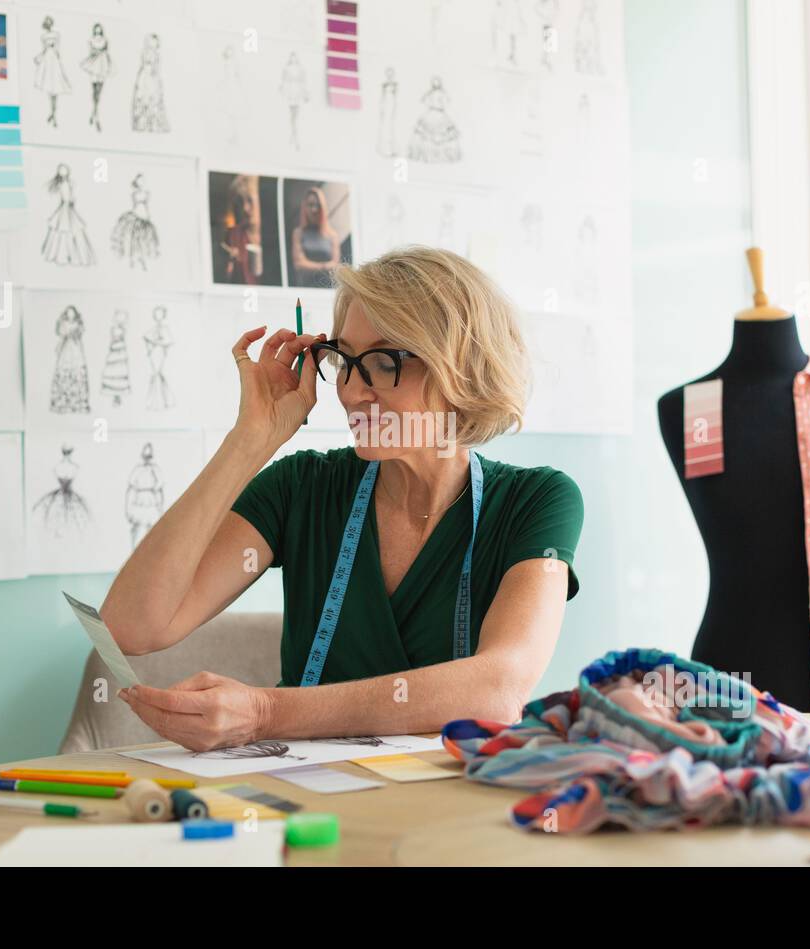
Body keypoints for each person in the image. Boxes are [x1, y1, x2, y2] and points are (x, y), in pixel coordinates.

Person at [102, 246, 584, 753]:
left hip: (451, 802)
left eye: (382, 361)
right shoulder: (302, 487)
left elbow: (498, 688)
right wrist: (251, 439)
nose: (353, 392)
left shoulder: (537, 502)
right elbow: (132, 628)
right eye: (345, 361)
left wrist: (265, 712)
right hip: (311, 798)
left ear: (460, 369)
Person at [289, 186, 341, 289]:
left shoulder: (332, 235)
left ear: (323, 207)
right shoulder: (298, 233)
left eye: (317, 205)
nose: (314, 209)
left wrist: (311, 266)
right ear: (305, 207)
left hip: (327, 290)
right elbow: (299, 264)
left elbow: (335, 265)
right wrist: (324, 266)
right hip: (306, 289)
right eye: (310, 205)